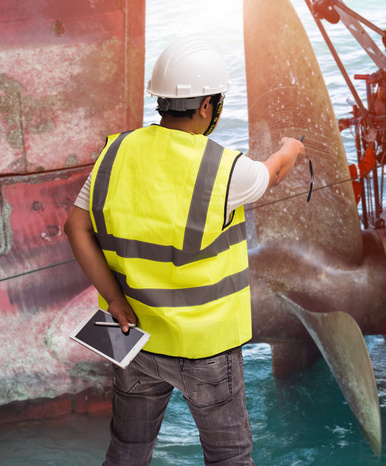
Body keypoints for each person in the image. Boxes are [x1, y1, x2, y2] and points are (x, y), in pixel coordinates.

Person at [64, 37, 304, 465]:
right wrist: (293, 146)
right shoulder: (226, 170)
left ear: (161, 100)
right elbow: (276, 170)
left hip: (130, 334)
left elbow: (75, 228)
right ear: (208, 106)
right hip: (204, 346)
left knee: (128, 450)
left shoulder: (114, 151)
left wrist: (116, 300)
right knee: (229, 457)